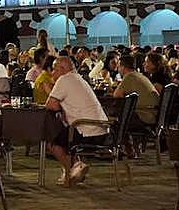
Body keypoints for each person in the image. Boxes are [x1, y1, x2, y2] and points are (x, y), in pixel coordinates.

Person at [45, 56, 109, 185]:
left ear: (62, 69)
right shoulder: (79, 79)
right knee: (66, 134)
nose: (52, 73)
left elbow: (51, 105)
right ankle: (76, 166)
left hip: (85, 130)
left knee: (51, 141)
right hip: (102, 130)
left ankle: (71, 169)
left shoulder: (64, 79)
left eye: (54, 69)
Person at [113, 53, 159, 125]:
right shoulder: (139, 75)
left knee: (114, 115)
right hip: (153, 113)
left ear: (123, 67)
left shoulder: (129, 76)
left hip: (144, 114)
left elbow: (116, 96)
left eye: (118, 67)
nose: (118, 70)